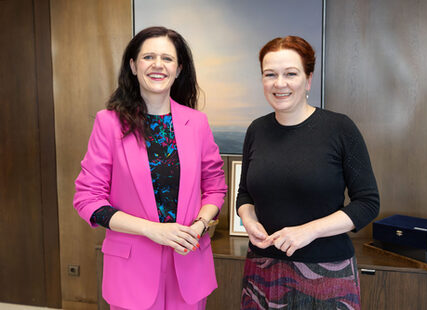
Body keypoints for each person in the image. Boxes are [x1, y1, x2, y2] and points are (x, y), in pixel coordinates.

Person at [74, 26, 227, 310]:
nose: (158, 65)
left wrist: (201, 223)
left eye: (167, 58)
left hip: (189, 262)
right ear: (133, 65)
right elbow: (87, 200)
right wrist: (152, 230)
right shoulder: (108, 123)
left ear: (179, 69)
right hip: (132, 270)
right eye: (148, 57)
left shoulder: (197, 123)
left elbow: (216, 186)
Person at [236, 36, 380, 310]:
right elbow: (245, 193)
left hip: (326, 273)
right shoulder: (256, 130)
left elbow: (368, 204)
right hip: (262, 269)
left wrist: (308, 231)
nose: (280, 83)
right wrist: (248, 218)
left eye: (291, 73)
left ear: (308, 79)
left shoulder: (340, 129)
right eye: (270, 75)